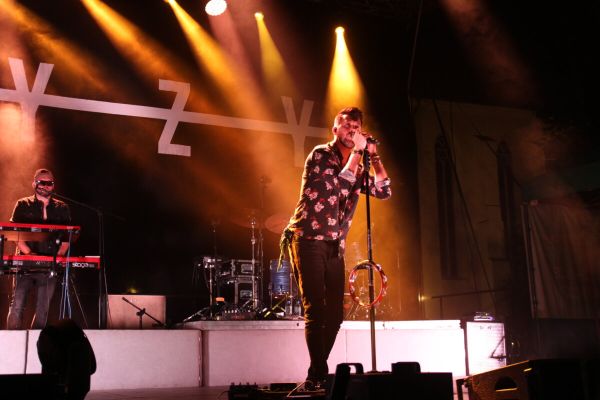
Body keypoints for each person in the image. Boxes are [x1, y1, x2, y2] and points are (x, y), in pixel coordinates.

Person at [282, 107, 392, 389]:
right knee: (316, 309)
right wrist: (359, 151)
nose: (351, 131)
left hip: (335, 245)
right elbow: (341, 187)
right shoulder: (320, 155)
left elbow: (384, 190)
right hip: (308, 239)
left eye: (356, 127)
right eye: (346, 126)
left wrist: (374, 157)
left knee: (335, 315)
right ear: (335, 130)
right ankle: (318, 375)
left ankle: (316, 371)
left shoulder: (359, 165)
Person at [6, 168, 71, 330]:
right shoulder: (22, 204)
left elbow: (68, 236)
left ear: (53, 185)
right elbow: (15, 234)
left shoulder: (62, 207)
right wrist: (30, 254)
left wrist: (58, 257)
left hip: (50, 264)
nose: (46, 186)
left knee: (43, 309)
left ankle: (36, 341)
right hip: (25, 263)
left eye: (50, 183)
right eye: (42, 182)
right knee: (17, 304)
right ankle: (11, 341)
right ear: (34, 183)